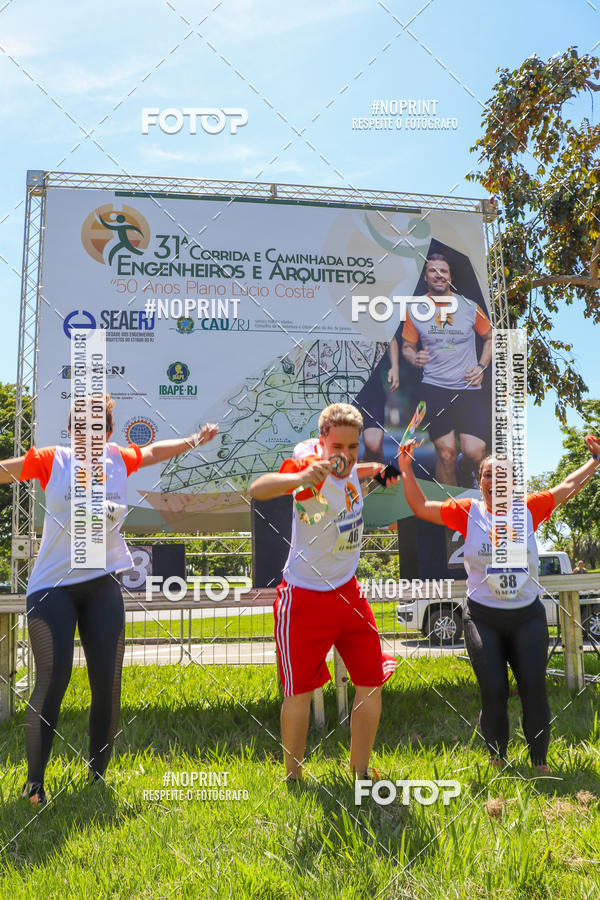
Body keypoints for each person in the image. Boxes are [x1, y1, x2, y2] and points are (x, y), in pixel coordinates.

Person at [2, 393, 218, 807]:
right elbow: (5, 471)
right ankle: (34, 785)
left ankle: (97, 777)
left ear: (109, 432)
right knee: (53, 680)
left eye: (97, 426)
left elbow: (155, 451)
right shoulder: (54, 460)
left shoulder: (119, 458)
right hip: (52, 587)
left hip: (101, 583)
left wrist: (194, 440)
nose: (88, 434)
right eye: (80, 426)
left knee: (108, 683)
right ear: (69, 430)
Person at [396, 433, 600, 770]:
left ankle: (539, 764)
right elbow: (419, 507)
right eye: (489, 474)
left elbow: (566, 486)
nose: (496, 480)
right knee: (494, 690)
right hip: (483, 618)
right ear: (481, 482)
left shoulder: (530, 509)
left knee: (534, 688)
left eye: (503, 474)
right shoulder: (467, 511)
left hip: (527, 618)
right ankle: (498, 760)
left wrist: (595, 462)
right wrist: (405, 466)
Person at [249, 403, 397, 781]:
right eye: (337, 448)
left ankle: (360, 772)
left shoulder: (349, 466)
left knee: (371, 682)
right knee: (298, 693)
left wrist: (377, 470)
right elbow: (258, 489)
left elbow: (352, 474)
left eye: (353, 447)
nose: (345, 456)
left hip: (350, 594)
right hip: (303, 598)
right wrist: (300, 479)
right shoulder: (308, 468)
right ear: (322, 442)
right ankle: (293, 777)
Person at [402, 254, 493, 486]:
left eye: (443, 271)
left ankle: (466, 468)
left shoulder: (470, 307)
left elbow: (491, 337)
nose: (439, 275)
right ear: (425, 277)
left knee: (475, 453)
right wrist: (415, 357)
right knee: (445, 453)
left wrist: (482, 366)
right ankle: (450, 517)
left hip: (468, 388)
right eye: (433, 271)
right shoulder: (415, 309)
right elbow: (408, 347)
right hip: (434, 388)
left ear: (450, 277)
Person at [353, 337, 400, 463]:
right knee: (346, 449)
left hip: (372, 390)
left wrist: (395, 367)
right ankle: (353, 481)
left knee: (374, 447)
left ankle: (372, 481)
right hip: (345, 391)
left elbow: (391, 338)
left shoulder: (371, 318)